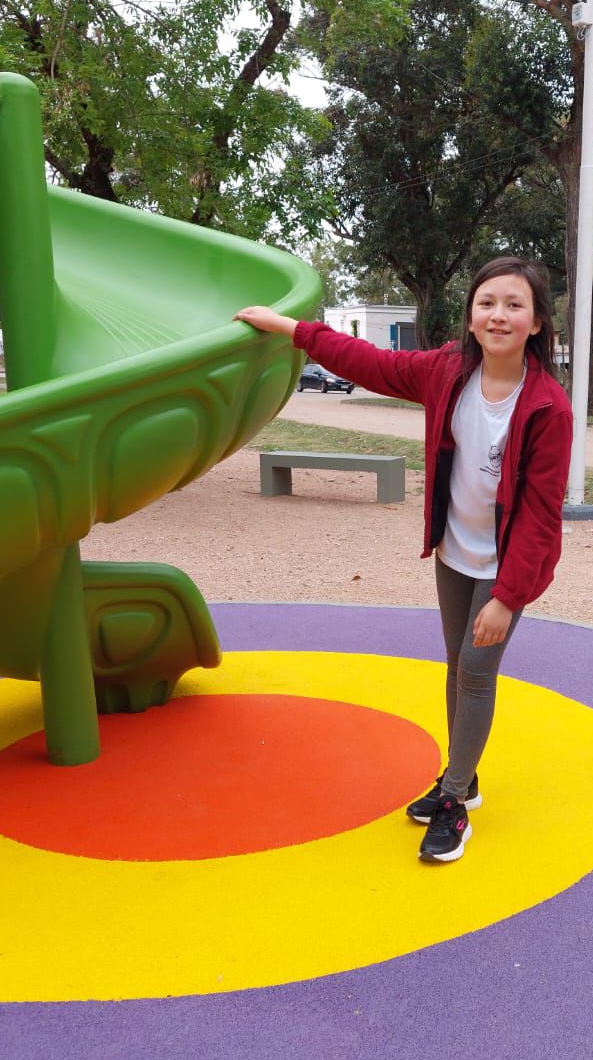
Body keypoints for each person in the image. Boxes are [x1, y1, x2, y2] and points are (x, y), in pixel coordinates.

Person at [235, 256, 572, 864]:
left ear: (537, 322)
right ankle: (463, 780)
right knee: (455, 666)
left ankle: (454, 801)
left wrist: (508, 596)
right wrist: (289, 329)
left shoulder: (548, 405)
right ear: (471, 316)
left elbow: (543, 515)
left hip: (505, 566)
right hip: (453, 551)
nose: (499, 314)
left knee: (475, 670)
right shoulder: (446, 371)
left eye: (514, 305)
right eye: (487, 302)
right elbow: (369, 363)